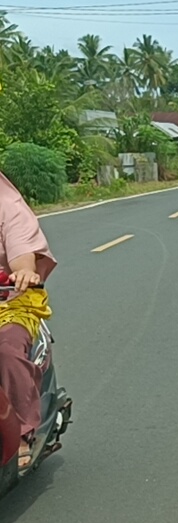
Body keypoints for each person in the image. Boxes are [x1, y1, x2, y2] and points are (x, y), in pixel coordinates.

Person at [0, 171, 58, 470]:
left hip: (10, 298)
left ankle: (20, 433)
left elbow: (22, 251)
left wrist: (22, 271)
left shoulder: (8, 206)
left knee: (6, 352)